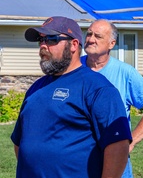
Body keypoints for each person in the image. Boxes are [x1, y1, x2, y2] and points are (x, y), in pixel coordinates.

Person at [11, 16, 132, 178]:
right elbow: (20, 141)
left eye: (51, 39)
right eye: (40, 40)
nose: (43, 46)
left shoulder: (98, 88)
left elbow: (118, 146)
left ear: (73, 45)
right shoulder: (36, 88)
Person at [80, 19, 143, 178]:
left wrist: (130, 142)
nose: (91, 39)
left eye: (98, 36)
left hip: (114, 163)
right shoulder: (74, 69)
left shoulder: (125, 73)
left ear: (111, 44)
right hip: (77, 162)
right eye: (89, 34)